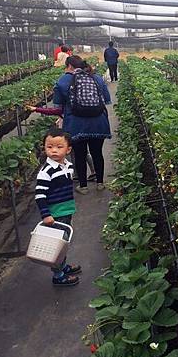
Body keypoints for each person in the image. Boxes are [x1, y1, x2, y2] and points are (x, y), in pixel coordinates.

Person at [53, 55, 111, 194]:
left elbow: (58, 106)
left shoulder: (62, 81)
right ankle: (100, 183)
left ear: (70, 66)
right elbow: (107, 100)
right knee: (97, 153)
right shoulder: (95, 77)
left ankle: (83, 186)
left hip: (75, 124)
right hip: (98, 122)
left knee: (80, 155)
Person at [35, 127, 81, 286]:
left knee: (64, 242)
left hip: (66, 210)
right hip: (55, 214)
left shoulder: (67, 166)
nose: (54, 150)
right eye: (49, 147)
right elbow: (39, 195)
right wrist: (45, 214)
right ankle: (58, 275)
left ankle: (63, 265)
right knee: (56, 245)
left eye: (59, 147)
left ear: (68, 149)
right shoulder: (46, 171)